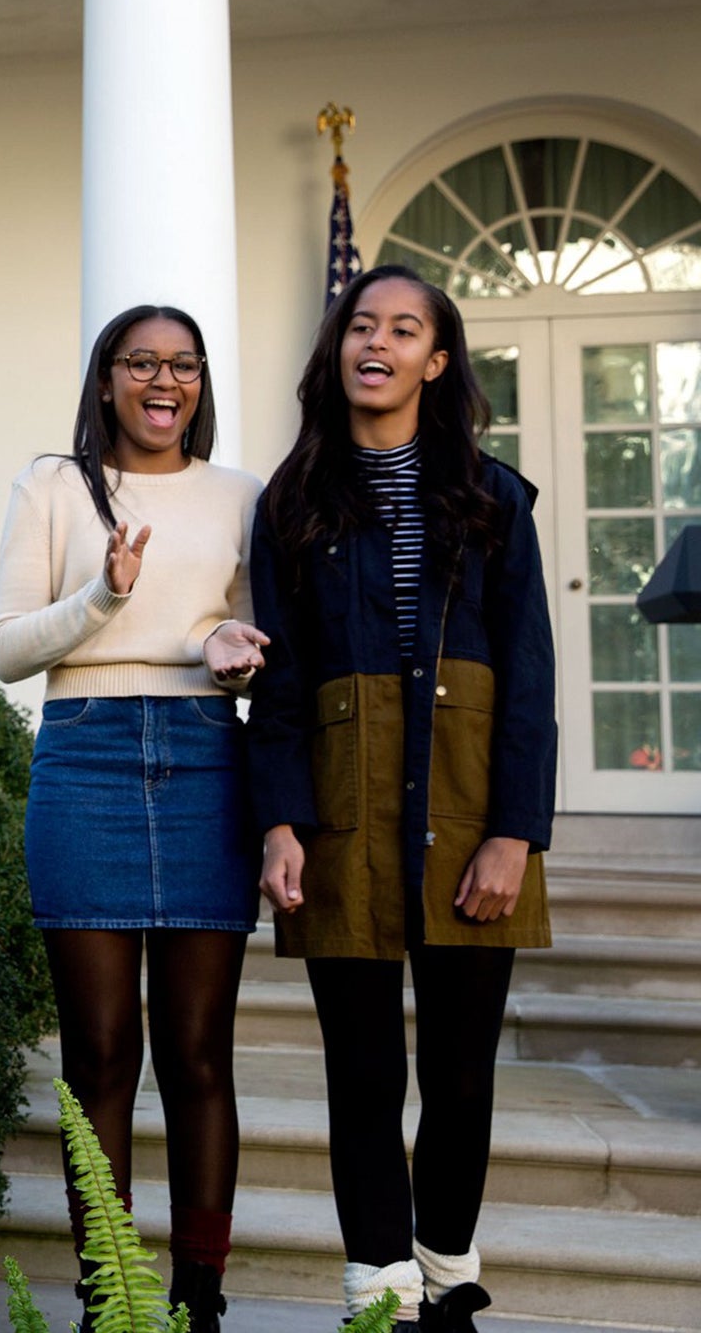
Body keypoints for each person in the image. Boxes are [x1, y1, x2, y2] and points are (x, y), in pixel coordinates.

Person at [248, 264, 556, 1331]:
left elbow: (526, 676)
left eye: (402, 328)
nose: (373, 342)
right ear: (336, 352)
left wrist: (514, 831)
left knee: (460, 1073)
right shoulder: (289, 502)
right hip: (340, 817)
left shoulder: (493, 496)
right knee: (362, 1073)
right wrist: (278, 822)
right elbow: (279, 683)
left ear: (436, 359)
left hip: (472, 810)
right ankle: (374, 1289)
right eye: (357, 325)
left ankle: (446, 1281)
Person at [0, 306, 267, 1333]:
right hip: (85, 754)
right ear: (103, 378)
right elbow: (10, 648)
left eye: (182, 364)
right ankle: (108, 1292)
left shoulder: (240, 496)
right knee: (100, 1049)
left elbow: (223, 625)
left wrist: (226, 640)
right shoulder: (55, 485)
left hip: (203, 757)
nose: (164, 381)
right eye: (140, 362)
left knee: (197, 1052)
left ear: (200, 381)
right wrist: (102, 597)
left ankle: (199, 1298)